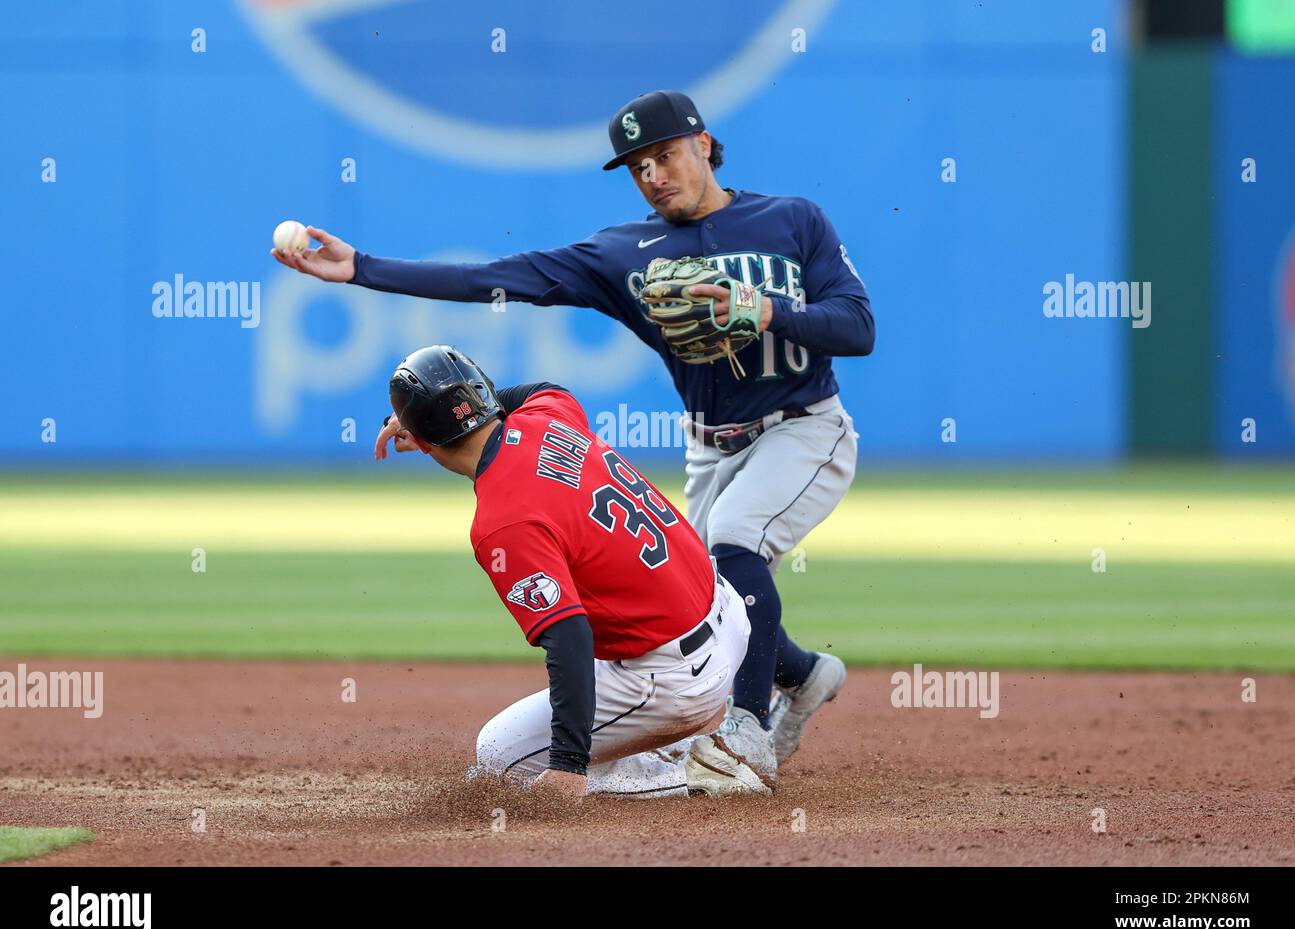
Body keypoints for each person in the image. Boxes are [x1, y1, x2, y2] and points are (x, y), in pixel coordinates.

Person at [277, 89, 875, 793]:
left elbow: (858, 328)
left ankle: (745, 732)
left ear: (705, 145)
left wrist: (761, 306)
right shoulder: (626, 253)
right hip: (712, 443)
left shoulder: (792, 219)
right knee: (706, 594)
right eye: (638, 165)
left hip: (806, 426)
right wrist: (363, 269)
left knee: (735, 543)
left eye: (666, 154)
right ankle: (803, 675)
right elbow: (500, 278)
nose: (653, 173)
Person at [374, 344, 760, 798]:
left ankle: (695, 777)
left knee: (498, 757)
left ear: (419, 441)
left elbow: (569, 635)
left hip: (676, 678)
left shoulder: (503, 521)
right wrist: (459, 409)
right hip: (726, 614)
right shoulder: (547, 417)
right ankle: (654, 746)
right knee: (593, 596)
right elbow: (544, 389)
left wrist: (568, 763)